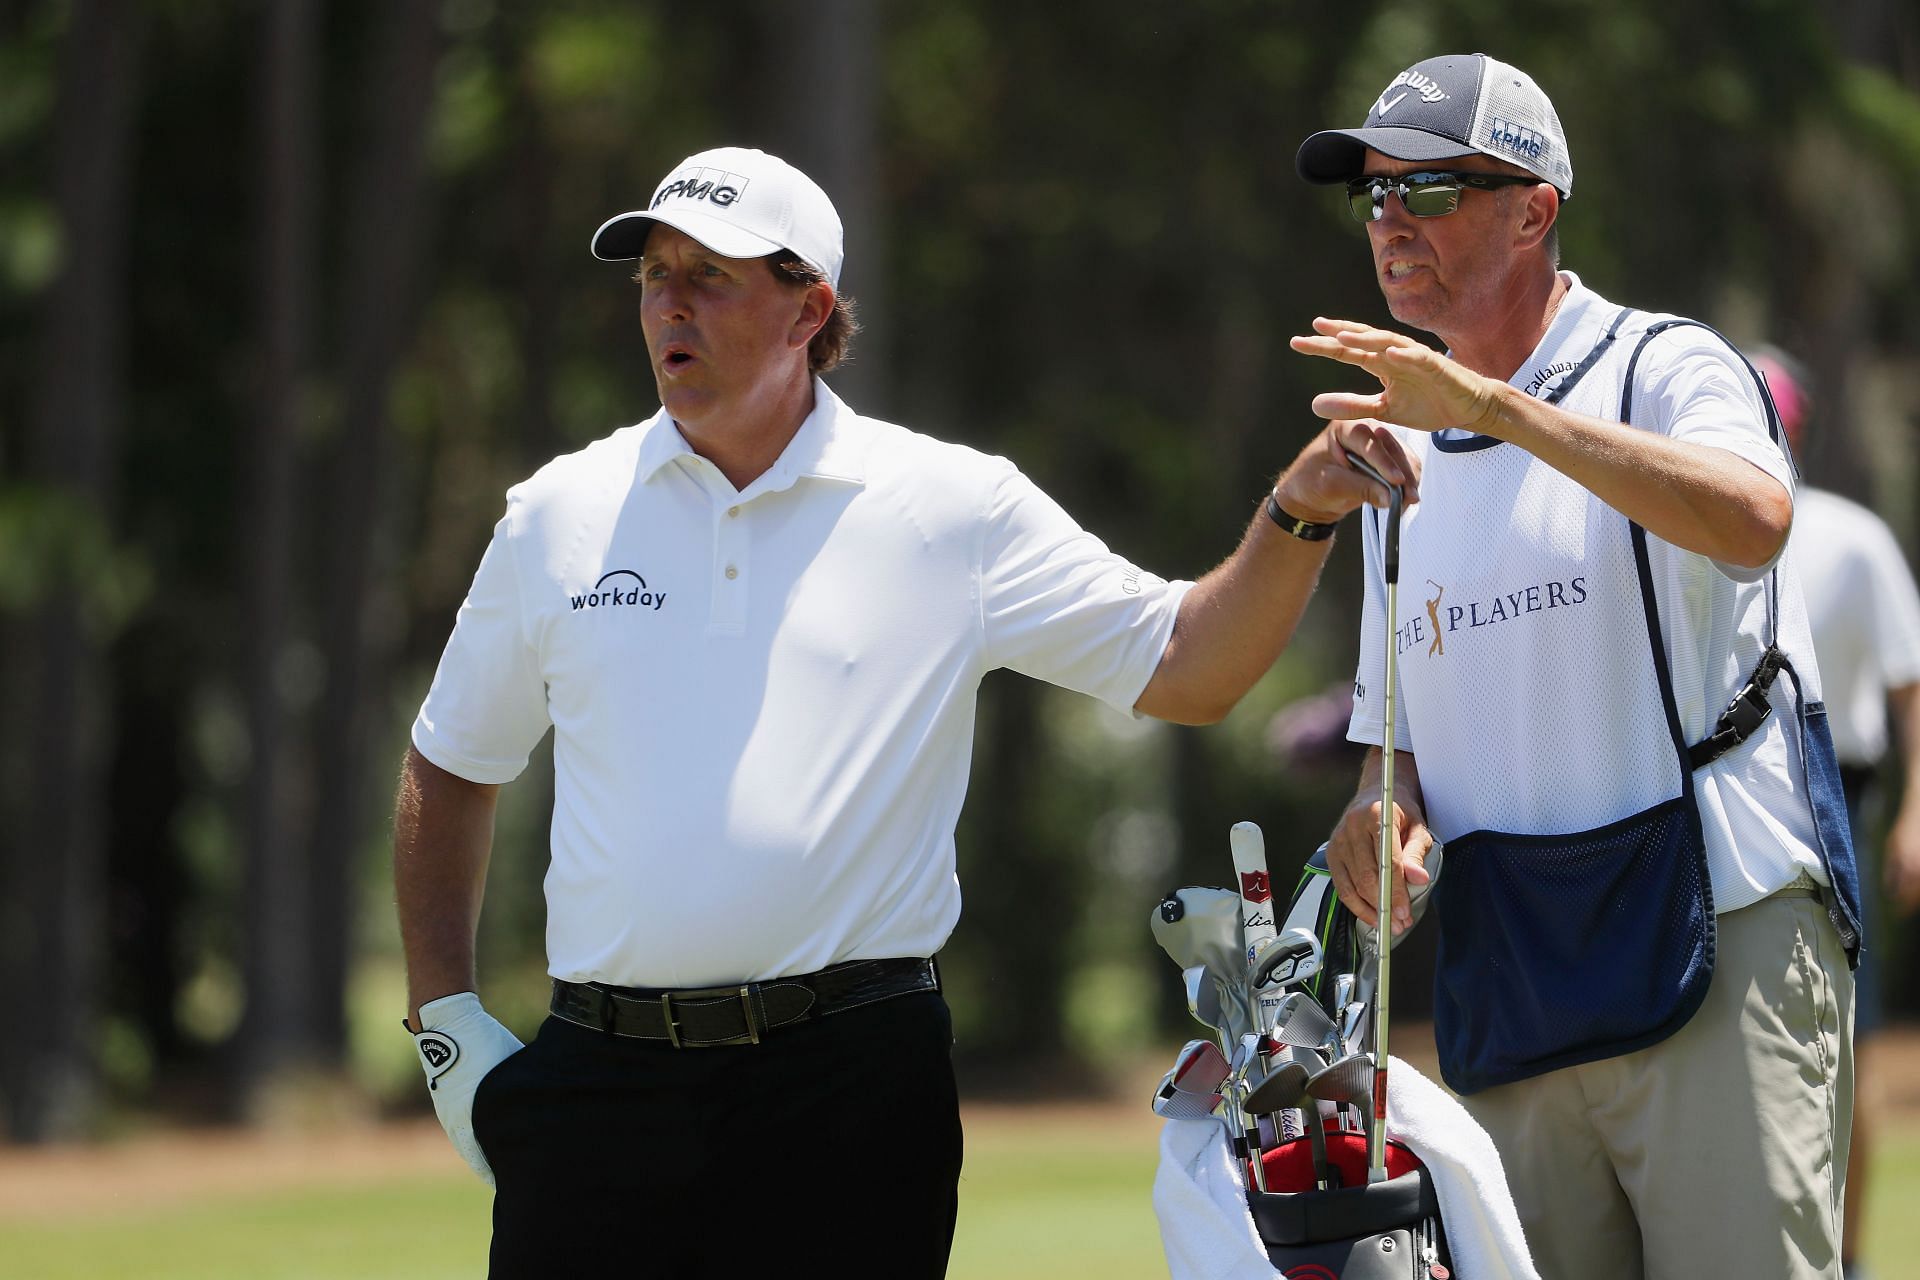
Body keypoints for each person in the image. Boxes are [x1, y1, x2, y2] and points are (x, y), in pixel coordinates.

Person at [392, 145, 1415, 1277]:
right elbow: (450, 762)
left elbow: (1187, 662)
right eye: (653, 275)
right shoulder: (557, 513)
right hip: (602, 1078)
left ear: (807, 309)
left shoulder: (949, 507)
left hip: (852, 1083)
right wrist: (447, 1022)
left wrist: (1299, 507)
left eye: (710, 276)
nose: (668, 303)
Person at [1290, 54, 1864, 1280]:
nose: (1390, 222)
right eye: (1374, 197)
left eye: (1429, 189)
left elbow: (1754, 516)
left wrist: (1497, 410)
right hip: (1515, 963)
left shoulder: (1666, 363)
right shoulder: (1391, 454)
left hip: (1723, 927)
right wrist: (1376, 812)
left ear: (1535, 208)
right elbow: (1398, 748)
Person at [1753, 347, 1920, 1280]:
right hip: (1735, 793)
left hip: (1838, 798)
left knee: (1845, 1038)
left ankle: (1850, 1258)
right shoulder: (1690, 526)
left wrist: (1913, 818)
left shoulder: (1851, 538)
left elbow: (1911, 686)